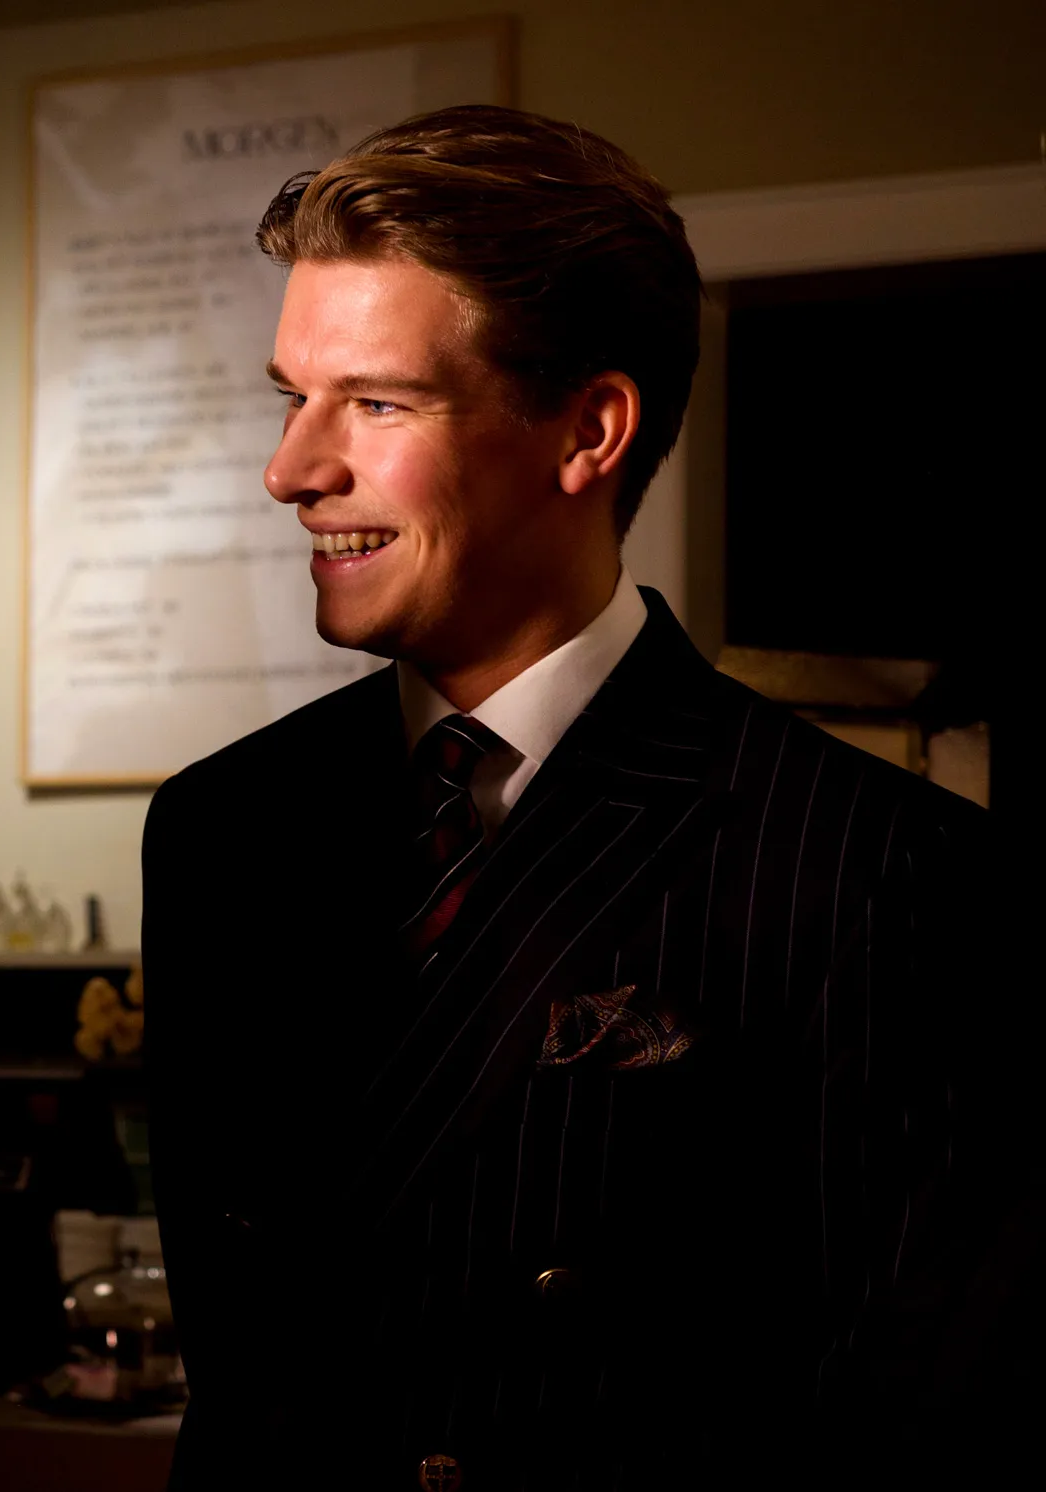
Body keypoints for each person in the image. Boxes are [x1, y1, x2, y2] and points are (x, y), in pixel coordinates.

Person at [142, 106, 1029, 1489]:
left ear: (589, 430)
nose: (294, 470)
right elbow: (248, 1381)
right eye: (291, 397)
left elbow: (910, 1429)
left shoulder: (877, 867)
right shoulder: (223, 831)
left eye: (376, 403)